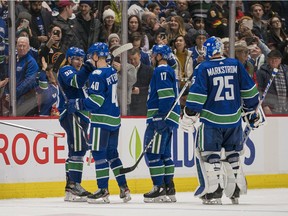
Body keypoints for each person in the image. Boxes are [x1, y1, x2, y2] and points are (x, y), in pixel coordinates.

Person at [181, 36, 264, 205]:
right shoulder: (235, 64)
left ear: (207, 51)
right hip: (234, 120)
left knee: (209, 155)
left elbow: (198, 95)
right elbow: (248, 90)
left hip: (212, 119)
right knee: (233, 154)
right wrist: (252, 111)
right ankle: (235, 191)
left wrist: (189, 114)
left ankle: (214, 192)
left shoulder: (203, 67)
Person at [67, 42, 131, 204]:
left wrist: (77, 104)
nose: (89, 59)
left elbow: (96, 101)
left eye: (91, 56)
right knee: (112, 155)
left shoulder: (96, 74)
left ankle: (103, 190)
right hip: (114, 120)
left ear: (96, 56)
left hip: (101, 120)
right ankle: (124, 187)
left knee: (99, 154)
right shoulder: (112, 71)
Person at [143, 44, 180, 203]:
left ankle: (158, 188)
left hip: (160, 118)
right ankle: (169, 187)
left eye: (154, 55)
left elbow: (165, 96)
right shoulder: (168, 70)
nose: (151, 58)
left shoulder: (161, 70)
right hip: (168, 118)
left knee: (152, 153)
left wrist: (160, 117)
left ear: (159, 56)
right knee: (164, 154)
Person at [57, 47, 91, 202]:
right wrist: (89, 66)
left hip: (81, 114)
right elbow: (76, 82)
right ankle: (75, 185)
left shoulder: (82, 72)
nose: (79, 62)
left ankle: (70, 188)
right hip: (71, 113)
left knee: (74, 150)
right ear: (69, 58)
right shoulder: (66, 70)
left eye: (81, 59)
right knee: (78, 149)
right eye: (76, 59)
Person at [257, 49, 288, 114]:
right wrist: (264, 105)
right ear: (268, 60)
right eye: (271, 59)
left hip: (285, 107)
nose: (273, 61)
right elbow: (259, 90)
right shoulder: (262, 72)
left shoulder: (286, 71)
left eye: (276, 59)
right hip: (271, 108)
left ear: (280, 60)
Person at [128, 47, 153, 116]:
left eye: (135, 59)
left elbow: (152, 88)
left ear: (139, 56)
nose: (132, 61)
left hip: (143, 106)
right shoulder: (124, 71)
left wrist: (140, 90)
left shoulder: (149, 70)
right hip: (129, 107)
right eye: (130, 59)